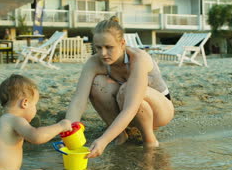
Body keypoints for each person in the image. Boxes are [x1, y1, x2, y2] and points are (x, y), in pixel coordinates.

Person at [66, 16, 174, 158]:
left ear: (122, 44)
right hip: (126, 104)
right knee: (97, 84)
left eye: (109, 47)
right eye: (98, 48)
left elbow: (131, 106)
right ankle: (121, 136)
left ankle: (149, 140)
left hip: (159, 110)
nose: (103, 53)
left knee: (126, 90)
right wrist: (68, 133)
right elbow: (78, 100)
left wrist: (104, 140)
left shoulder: (138, 59)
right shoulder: (94, 62)